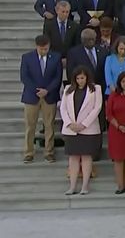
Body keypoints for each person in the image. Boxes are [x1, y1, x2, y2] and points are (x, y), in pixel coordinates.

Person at [60, 66, 103, 195]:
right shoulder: (68, 89)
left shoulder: (96, 89)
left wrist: (83, 124)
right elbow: (63, 108)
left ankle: (85, 186)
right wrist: (69, 123)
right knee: (73, 158)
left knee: (86, 157)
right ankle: (72, 186)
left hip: (88, 129)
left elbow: (97, 108)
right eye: (78, 78)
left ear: (87, 77)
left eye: (82, 78)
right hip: (71, 129)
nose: (80, 81)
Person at [20, 35, 62, 163]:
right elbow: (24, 77)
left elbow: (57, 77)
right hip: (31, 96)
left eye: (46, 48)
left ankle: (49, 152)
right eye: (42, 49)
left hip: (49, 96)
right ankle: (28, 152)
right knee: (30, 125)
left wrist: (47, 90)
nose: (44, 51)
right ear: (37, 46)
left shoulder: (56, 57)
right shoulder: (27, 57)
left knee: (49, 125)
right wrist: (36, 90)